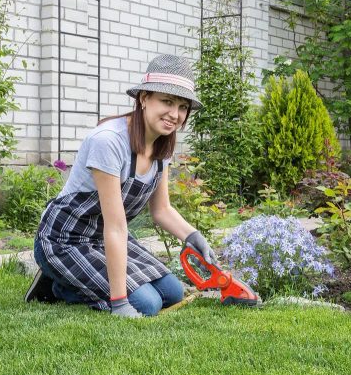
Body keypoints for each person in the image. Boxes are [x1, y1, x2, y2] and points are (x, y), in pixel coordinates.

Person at [26, 54, 217, 318]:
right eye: (167, 101)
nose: (175, 114)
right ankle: (59, 284)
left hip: (107, 238)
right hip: (66, 239)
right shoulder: (109, 141)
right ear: (144, 98)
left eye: (183, 107)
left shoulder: (162, 145)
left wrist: (193, 236)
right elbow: (116, 227)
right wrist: (119, 302)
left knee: (172, 292)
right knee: (147, 304)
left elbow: (161, 210)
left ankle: (75, 279)